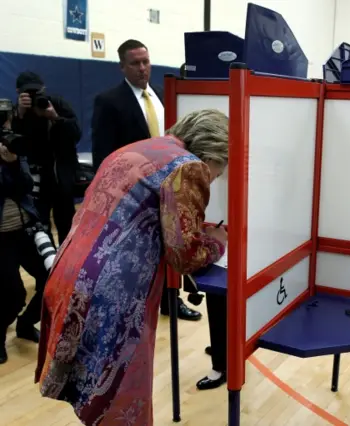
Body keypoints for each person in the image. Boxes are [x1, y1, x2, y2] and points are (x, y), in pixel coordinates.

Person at [35, 108, 229, 425]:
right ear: (213, 152)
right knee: (122, 403)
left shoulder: (137, 148)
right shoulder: (188, 167)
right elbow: (185, 256)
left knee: (92, 393)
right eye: (220, 169)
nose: (217, 176)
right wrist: (217, 241)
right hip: (113, 294)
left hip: (69, 272)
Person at [92, 38, 202, 321]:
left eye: (146, 61)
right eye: (135, 63)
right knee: (140, 252)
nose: (142, 68)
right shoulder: (109, 101)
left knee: (170, 243)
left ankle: (170, 299)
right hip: (133, 192)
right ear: (122, 67)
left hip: (169, 185)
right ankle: (136, 304)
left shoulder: (164, 95)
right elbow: (103, 155)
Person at [0, 99, 51, 364]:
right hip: (1, 237)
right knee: (13, 292)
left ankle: (25, 323)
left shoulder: (12, 147)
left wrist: (10, 164)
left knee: (50, 280)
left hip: (25, 227)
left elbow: (26, 185)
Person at [10, 71, 81, 246]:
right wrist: (19, 113)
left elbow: (76, 135)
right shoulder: (16, 113)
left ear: (44, 89)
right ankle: (48, 264)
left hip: (60, 176)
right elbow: (13, 143)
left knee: (66, 222)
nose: (34, 97)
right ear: (18, 92)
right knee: (39, 224)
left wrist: (55, 118)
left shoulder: (56, 104)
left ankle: (66, 262)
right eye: (28, 93)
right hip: (35, 178)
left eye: (37, 92)